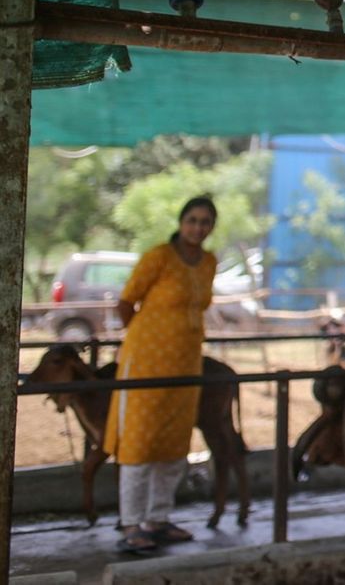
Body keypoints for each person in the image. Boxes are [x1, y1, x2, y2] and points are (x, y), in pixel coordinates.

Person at [105, 195, 218, 554]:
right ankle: (131, 523)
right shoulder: (158, 257)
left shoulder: (209, 262)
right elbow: (126, 303)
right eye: (192, 220)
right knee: (140, 441)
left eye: (205, 222)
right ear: (181, 222)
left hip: (186, 363)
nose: (198, 228)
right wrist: (141, 342)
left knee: (173, 443)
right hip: (147, 363)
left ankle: (158, 519)